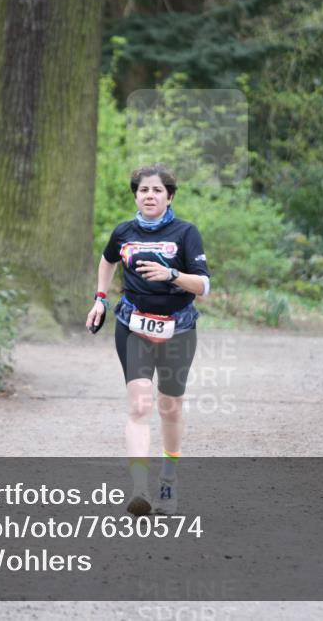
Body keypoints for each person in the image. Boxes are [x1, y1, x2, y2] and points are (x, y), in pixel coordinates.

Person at [85, 164, 211, 516]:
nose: (150, 196)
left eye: (157, 190)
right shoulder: (123, 232)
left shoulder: (186, 233)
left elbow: (203, 285)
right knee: (139, 405)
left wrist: (172, 274)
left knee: (170, 407)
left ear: (169, 196)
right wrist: (100, 297)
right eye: (143, 191)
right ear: (136, 196)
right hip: (133, 326)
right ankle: (139, 489)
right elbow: (108, 259)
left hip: (178, 329)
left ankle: (168, 482)